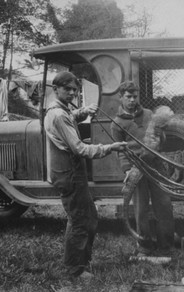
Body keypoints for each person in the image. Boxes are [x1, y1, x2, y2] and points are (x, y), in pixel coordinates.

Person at [44, 71, 127, 280]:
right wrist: (111, 147)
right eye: (67, 89)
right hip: (70, 174)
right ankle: (75, 269)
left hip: (70, 173)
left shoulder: (57, 110)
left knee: (89, 217)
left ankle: (82, 262)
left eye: (74, 89)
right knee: (80, 220)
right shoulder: (58, 115)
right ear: (55, 89)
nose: (72, 93)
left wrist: (83, 112)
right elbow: (80, 149)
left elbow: (70, 118)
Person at [111, 81, 175, 257]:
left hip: (156, 166)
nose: (132, 100)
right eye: (128, 97)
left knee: (164, 204)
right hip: (136, 168)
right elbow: (121, 151)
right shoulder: (116, 123)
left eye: (135, 96)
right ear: (121, 97)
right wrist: (127, 171)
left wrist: (158, 140)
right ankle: (145, 245)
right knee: (140, 209)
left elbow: (160, 136)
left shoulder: (148, 114)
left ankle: (166, 244)